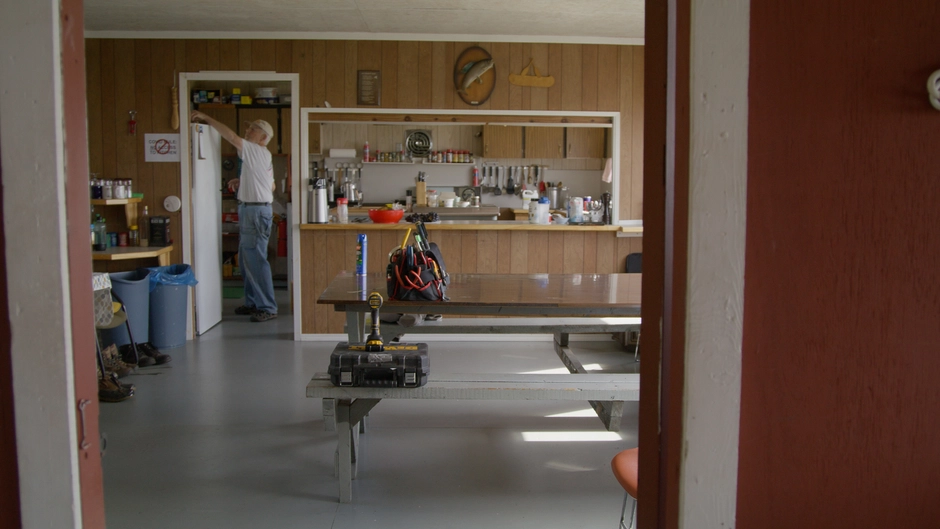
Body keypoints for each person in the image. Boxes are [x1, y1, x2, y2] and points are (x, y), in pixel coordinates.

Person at [191, 110, 278, 322]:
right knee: (247, 259)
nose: (248, 131)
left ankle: (267, 307)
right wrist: (243, 182)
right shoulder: (260, 156)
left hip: (255, 212)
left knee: (256, 260)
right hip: (253, 210)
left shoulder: (256, 150)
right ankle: (252, 303)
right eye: (248, 128)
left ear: (264, 138)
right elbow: (272, 185)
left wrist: (207, 118)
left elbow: (231, 137)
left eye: (254, 130)